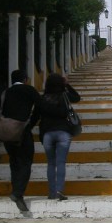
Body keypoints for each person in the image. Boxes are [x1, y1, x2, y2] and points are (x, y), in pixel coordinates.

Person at [0, 70, 40, 212]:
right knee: (26, 162)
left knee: (14, 161)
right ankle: (17, 193)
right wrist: (31, 123)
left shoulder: (6, 92)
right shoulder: (30, 90)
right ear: (25, 79)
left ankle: (16, 191)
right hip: (22, 131)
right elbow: (40, 108)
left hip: (7, 133)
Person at [39, 73, 81, 201]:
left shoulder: (42, 98)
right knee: (61, 162)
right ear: (61, 84)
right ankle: (59, 191)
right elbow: (77, 98)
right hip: (63, 132)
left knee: (51, 163)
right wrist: (67, 84)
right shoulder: (65, 96)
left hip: (47, 134)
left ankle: (51, 192)